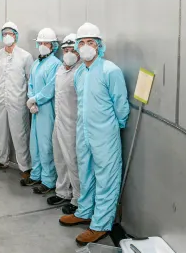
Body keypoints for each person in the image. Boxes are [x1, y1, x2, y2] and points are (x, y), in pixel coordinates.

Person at [59, 23, 129, 247]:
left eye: (91, 42)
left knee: (106, 177)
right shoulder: (80, 72)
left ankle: (100, 224)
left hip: (105, 134)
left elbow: (121, 105)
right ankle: (85, 210)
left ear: (99, 46)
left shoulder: (111, 70)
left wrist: (112, 128)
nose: (86, 47)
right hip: (84, 132)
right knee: (86, 172)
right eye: (82, 43)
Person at [0, 22, 34, 180]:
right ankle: (1, 159)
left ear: (16, 36)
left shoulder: (25, 56)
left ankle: (25, 166)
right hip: (1, 99)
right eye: (5, 33)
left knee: (20, 134)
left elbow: (29, 79)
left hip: (18, 101)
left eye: (11, 33)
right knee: (1, 131)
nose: (8, 36)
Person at [47, 33, 82, 212]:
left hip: (73, 124)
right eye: (66, 50)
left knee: (73, 161)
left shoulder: (81, 71)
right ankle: (62, 192)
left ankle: (77, 199)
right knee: (59, 158)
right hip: (59, 120)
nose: (68, 53)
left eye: (72, 50)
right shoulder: (61, 69)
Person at [23, 28, 62, 192]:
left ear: (53, 46)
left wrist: (36, 99)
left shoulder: (55, 64)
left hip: (47, 109)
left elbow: (51, 87)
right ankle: (36, 174)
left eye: (46, 43)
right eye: (40, 43)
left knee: (46, 145)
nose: (43, 46)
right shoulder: (36, 63)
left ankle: (48, 180)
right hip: (35, 109)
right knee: (35, 144)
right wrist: (31, 100)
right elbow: (30, 83)